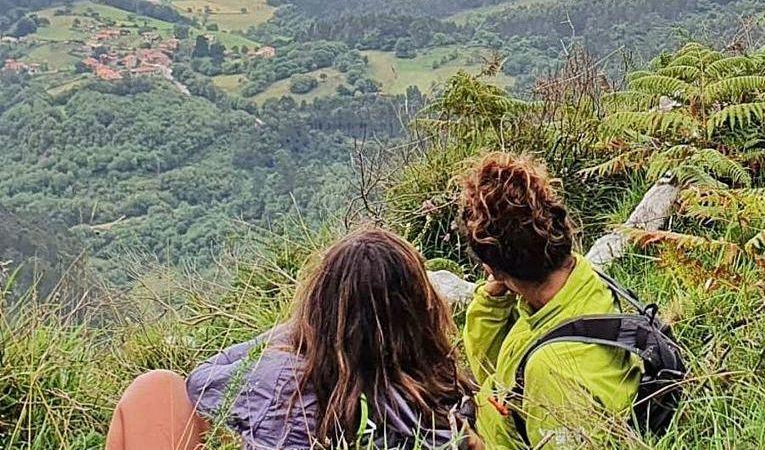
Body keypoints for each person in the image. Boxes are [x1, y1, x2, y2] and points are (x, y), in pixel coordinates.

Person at [106, 228, 476, 450]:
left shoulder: (283, 380)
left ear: (320, 302)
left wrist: (299, 330)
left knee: (155, 389)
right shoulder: (444, 399)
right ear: (421, 312)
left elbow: (201, 383)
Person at [458, 152, 641, 449]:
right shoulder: (575, 287)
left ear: (492, 267)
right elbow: (501, 374)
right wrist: (492, 300)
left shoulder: (553, 372)